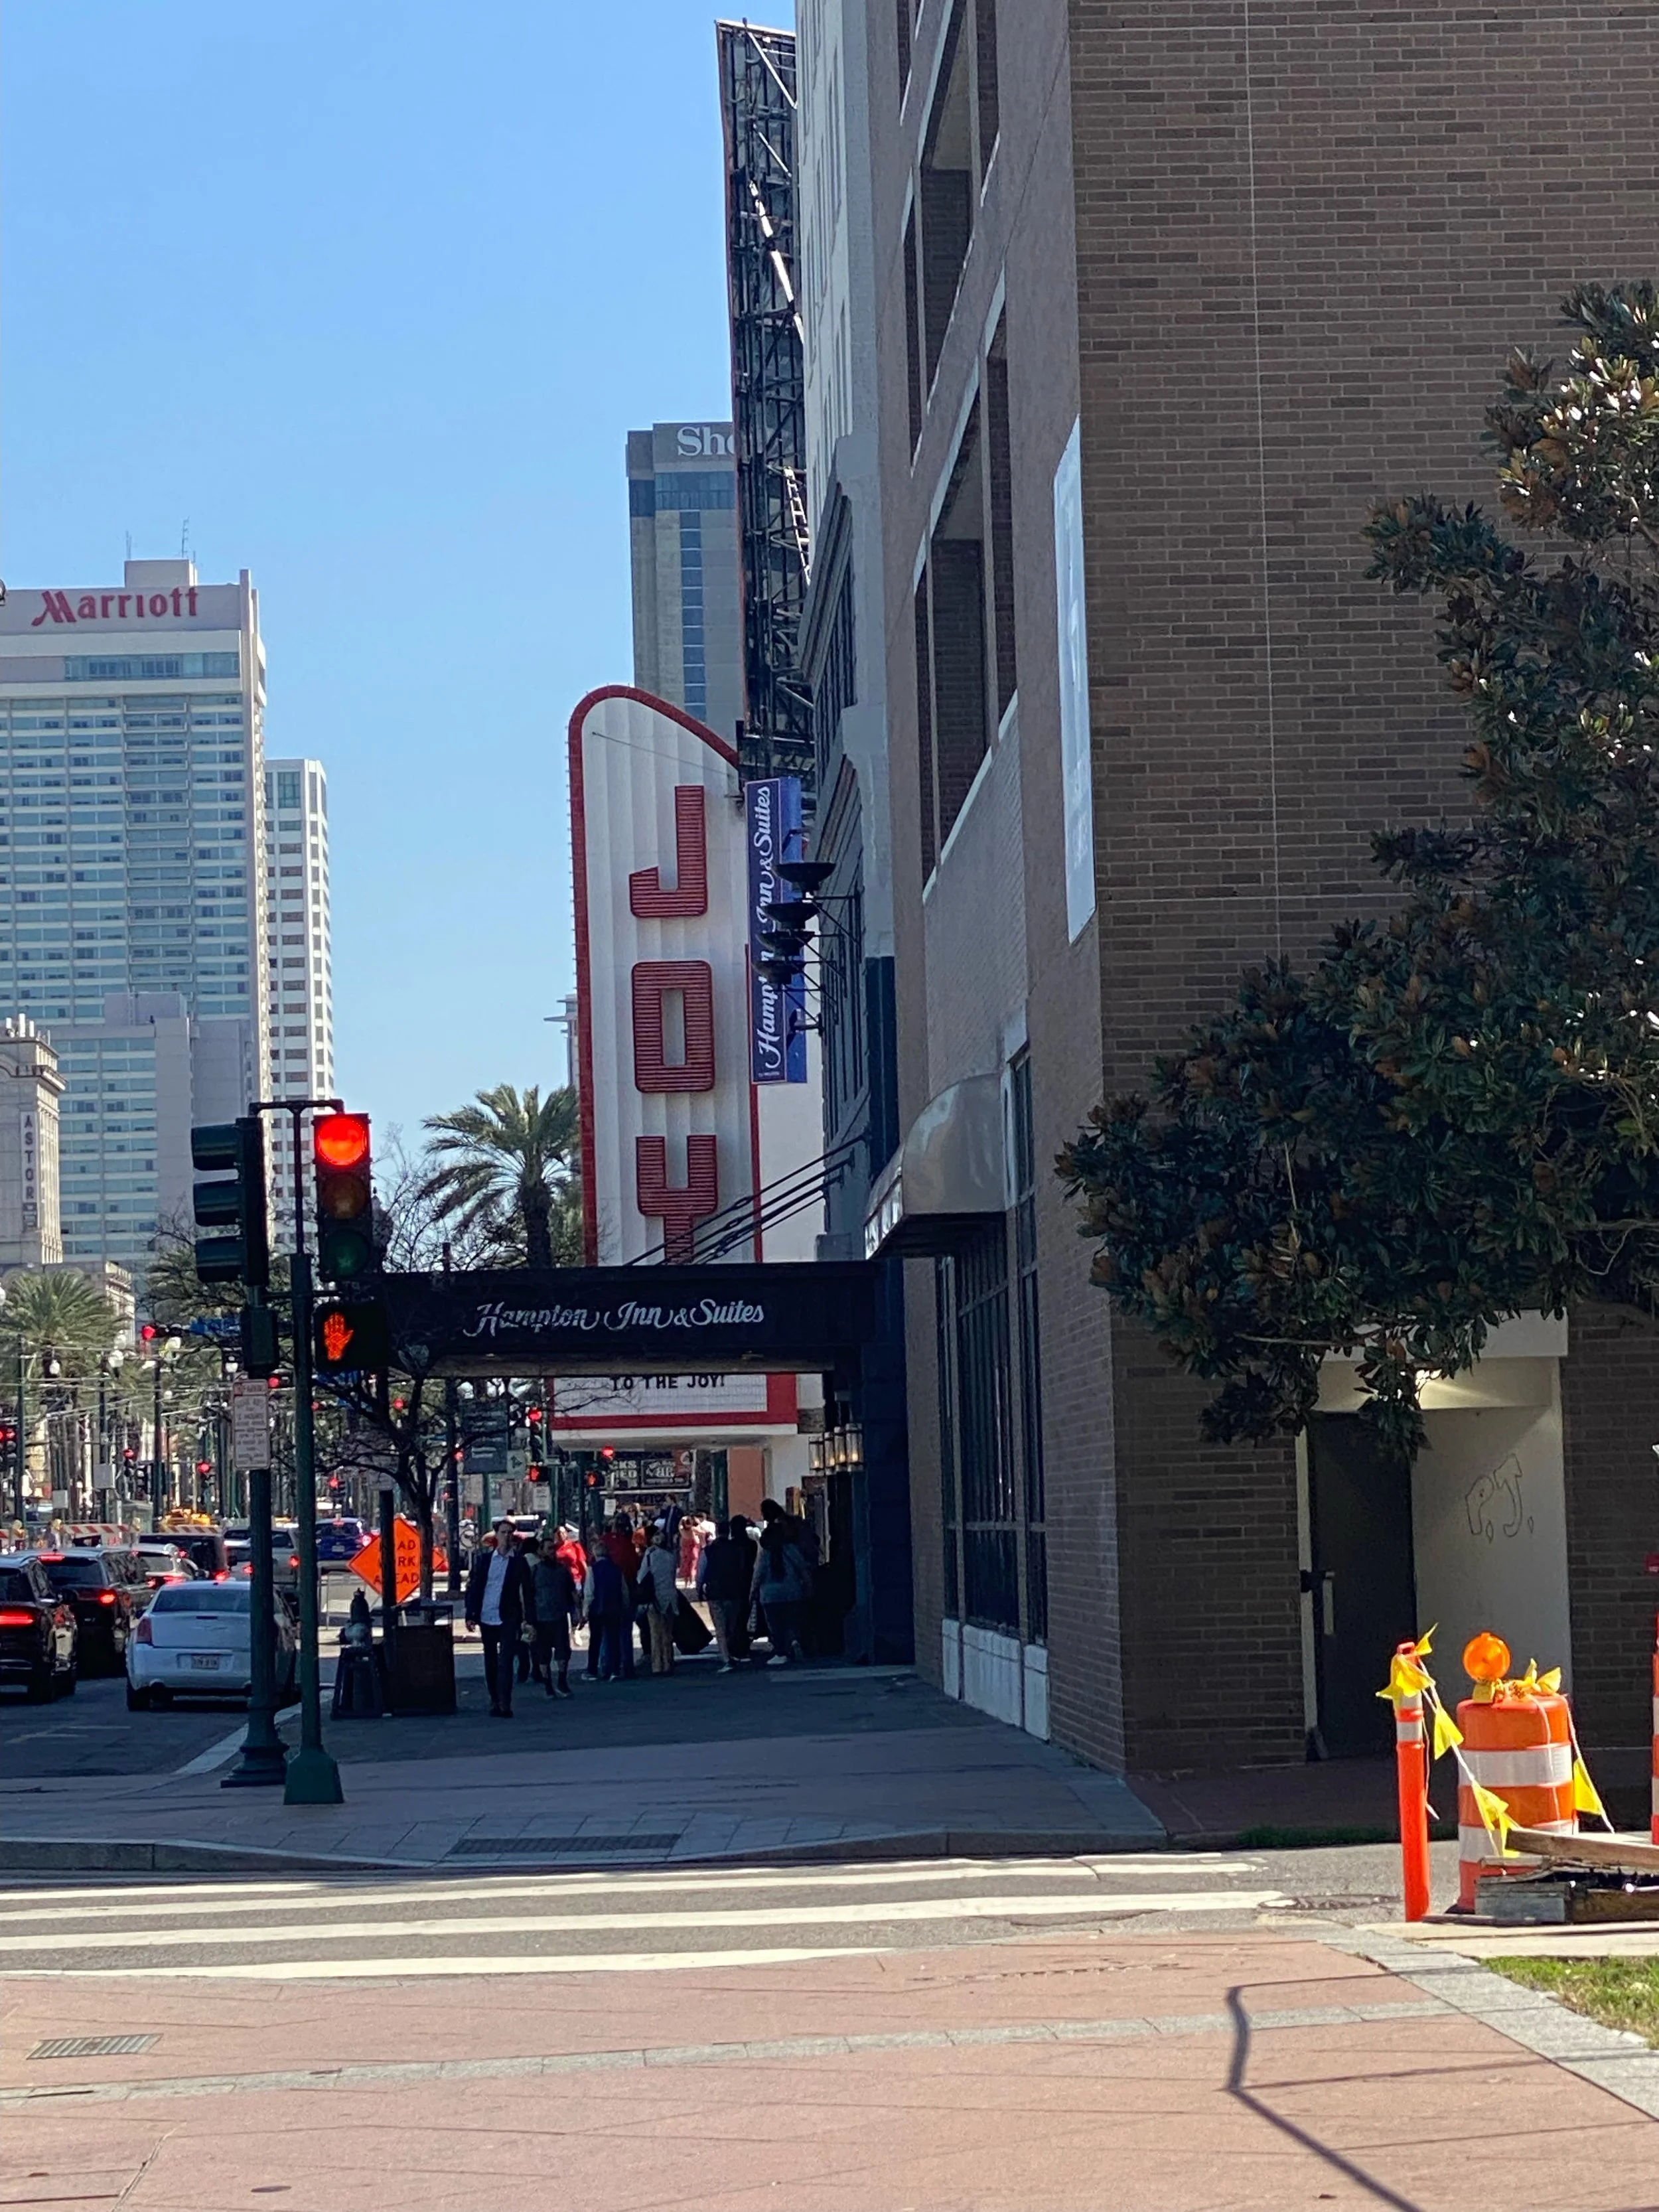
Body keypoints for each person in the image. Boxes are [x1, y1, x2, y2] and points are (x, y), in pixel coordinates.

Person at [464, 1521, 534, 1716]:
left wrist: (529, 1619)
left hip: (508, 1617)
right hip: (487, 1615)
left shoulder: (519, 1562)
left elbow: (527, 1592)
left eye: (510, 1533)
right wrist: (471, 1614)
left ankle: (505, 1702)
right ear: (496, 1536)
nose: (507, 1536)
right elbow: (476, 1588)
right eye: (504, 1533)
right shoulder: (485, 1560)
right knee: (491, 1660)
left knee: (506, 1660)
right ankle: (494, 1699)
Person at [751, 1499, 812, 1666]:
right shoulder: (791, 1548)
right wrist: (808, 1586)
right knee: (792, 1621)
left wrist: (753, 1591)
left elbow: (759, 1574)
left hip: (770, 1594)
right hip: (792, 1589)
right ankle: (794, 1641)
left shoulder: (765, 1554)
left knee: (775, 1625)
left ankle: (781, 1652)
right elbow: (803, 1569)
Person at [697, 1516, 753, 1672]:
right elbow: (742, 1568)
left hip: (715, 1592)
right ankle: (733, 1651)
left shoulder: (708, 1550)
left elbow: (701, 1572)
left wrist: (700, 1590)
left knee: (720, 1628)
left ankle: (726, 1658)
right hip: (734, 1591)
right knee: (732, 1625)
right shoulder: (736, 1549)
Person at [532, 1538, 577, 1698]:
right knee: (543, 1655)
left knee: (563, 1652)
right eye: (549, 1548)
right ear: (541, 1551)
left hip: (559, 1617)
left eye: (554, 1549)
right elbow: (528, 1596)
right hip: (541, 1619)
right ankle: (548, 1686)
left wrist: (575, 1613)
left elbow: (572, 1593)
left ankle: (562, 1683)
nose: (552, 1552)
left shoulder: (563, 1570)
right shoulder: (535, 1571)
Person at [635, 1522, 678, 1675]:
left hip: (654, 1598)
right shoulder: (671, 1556)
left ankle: (657, 1665)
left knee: (655, 1633)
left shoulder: (650, 1556)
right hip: (670, 1597)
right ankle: (668, 1662)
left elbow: (640, 1578)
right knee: (668, 1633)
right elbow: (673, 1576)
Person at [585, 1543, 628, 1682]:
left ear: (595, 1554)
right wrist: (625, 1605)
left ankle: (592, 1670)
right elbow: (624, 1591)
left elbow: (589, 1593)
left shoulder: (592, 1570)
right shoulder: (617, 1570)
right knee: (614, 1640)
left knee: (595, 1640)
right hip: (615, 1608)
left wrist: (585, 1610)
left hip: (597, 1609)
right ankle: (615, 1669)